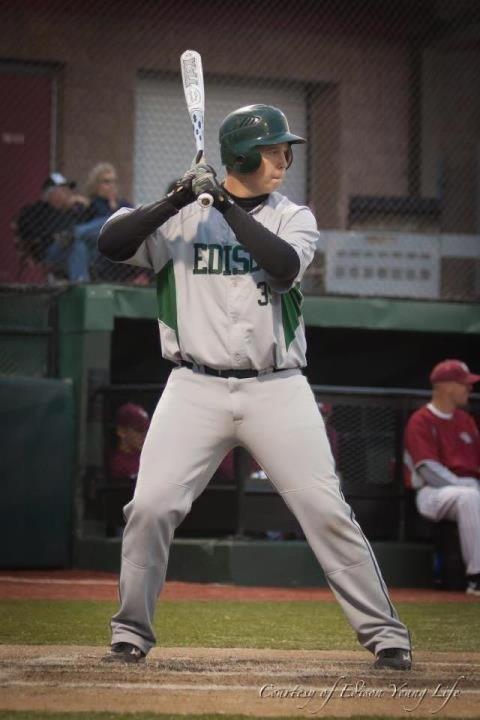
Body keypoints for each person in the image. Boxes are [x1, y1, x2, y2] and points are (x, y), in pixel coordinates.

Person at [98, 103, 411, 669]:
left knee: (325, 510)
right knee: (150, 507)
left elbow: (282, 265)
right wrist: (176, 199)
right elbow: (111, 244)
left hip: (277, 388)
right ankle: (130, 633)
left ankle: (387, 636)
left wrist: (221, 203)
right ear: (240, 155)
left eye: (285, 151)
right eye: (271, 151)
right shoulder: (180, 216)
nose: (283, 161)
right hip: (193, 387)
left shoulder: (295, 217)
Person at [404, 359, 480, 596]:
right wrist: (465, 484)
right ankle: (477, 577)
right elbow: (428, 470)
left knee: (471, 496)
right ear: (446, 386)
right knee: (469, 497)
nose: (469, 388)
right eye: (464, 383)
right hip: (432, 493)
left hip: (469, 488)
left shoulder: (465, 420)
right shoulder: (421, 419)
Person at [15, 173, 92, 281]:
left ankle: (75, 234)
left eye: (69, 189)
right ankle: (81, 284)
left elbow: (92, 223)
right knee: (77, 245)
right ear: (51, 192)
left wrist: (88, 205)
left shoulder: (73, 211)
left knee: (89, 239)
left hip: (75, 245)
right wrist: (55, 235)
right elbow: (29, 233)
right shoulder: (36, 210)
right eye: (63, 189)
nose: (69, 192)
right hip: (50, 251)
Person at [108, 403, 150, 481]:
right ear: (121, 431)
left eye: (147, 431)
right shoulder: (117, 463)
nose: (144, 436)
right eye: (139, 430)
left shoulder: (148, 456)